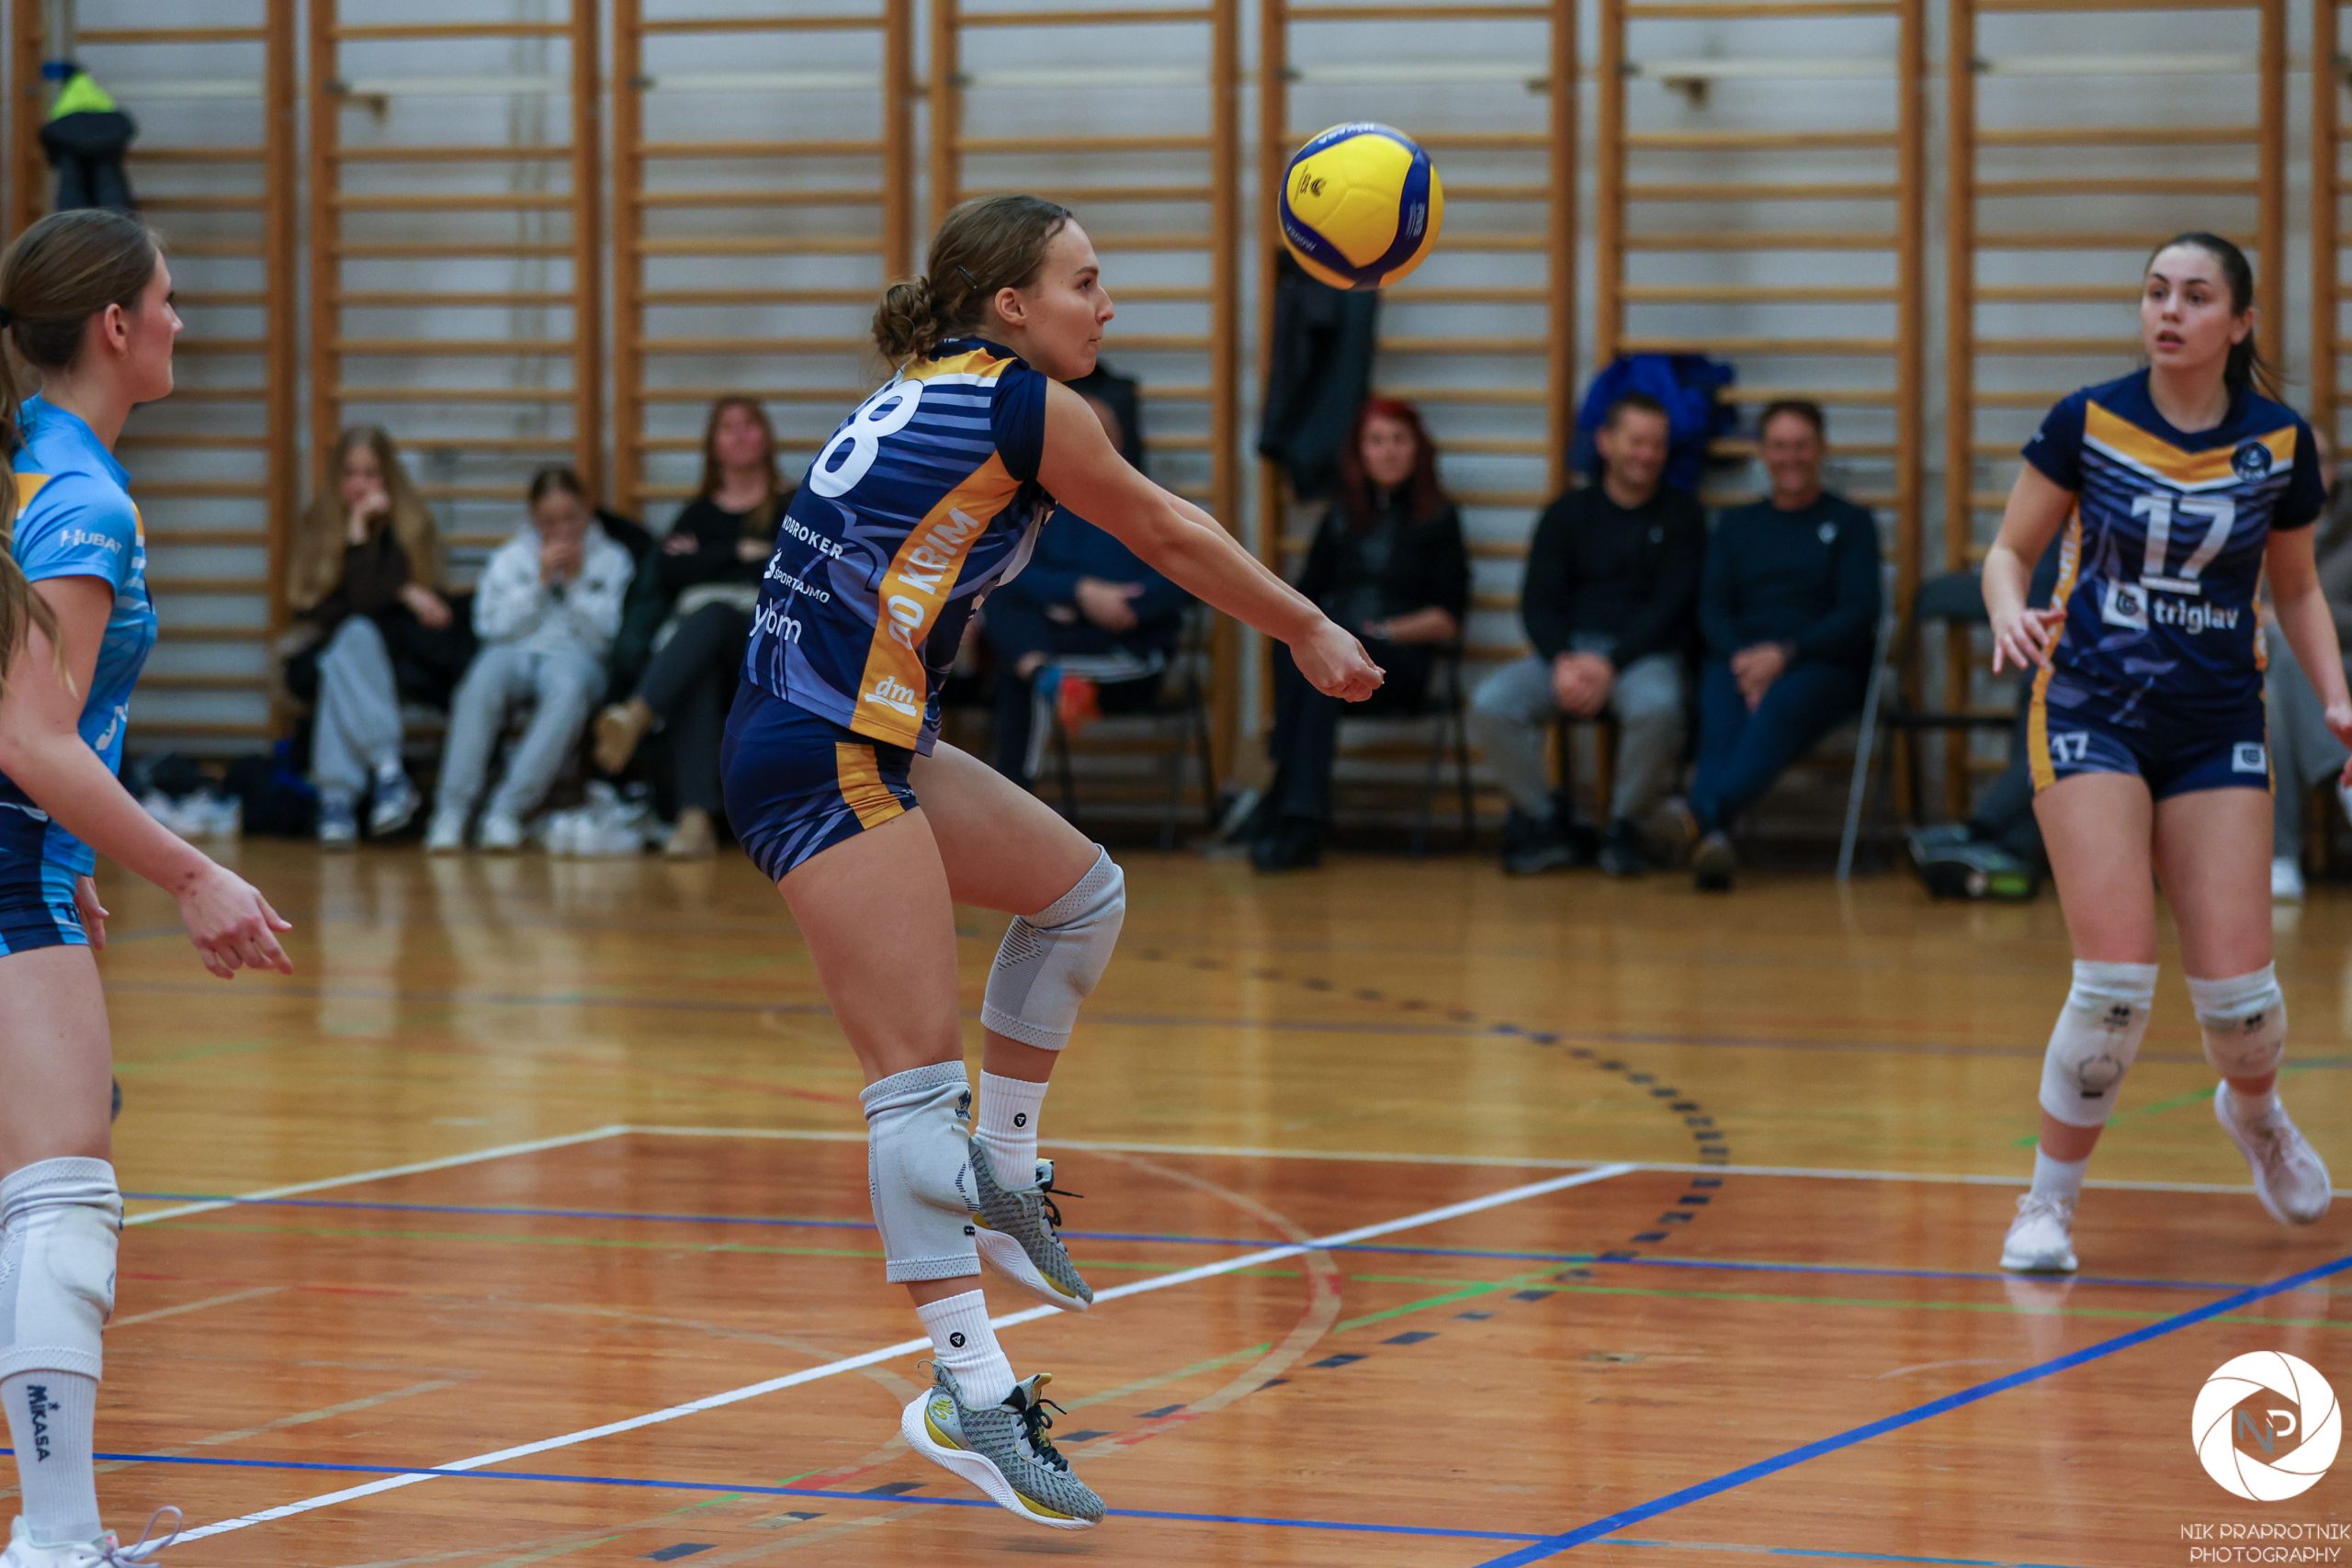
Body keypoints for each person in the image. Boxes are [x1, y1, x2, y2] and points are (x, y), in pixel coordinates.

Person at [721, 194, 1379, 1529]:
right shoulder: (1023, 403)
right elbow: (1167, 532)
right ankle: (967, 1390)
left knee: (1080, 895)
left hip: (859, 734)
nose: (1107, 304)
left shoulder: (933, 381)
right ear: (1010, 305)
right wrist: (1307, 626)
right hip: (819, 747)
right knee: (912, 1098)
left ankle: (1010, 1169)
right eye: (1083, 281)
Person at [0, 208, 291, 1568]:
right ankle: (58, 1540)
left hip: (29, 855)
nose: (184, 320)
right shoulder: (82, 500)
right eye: (168, 299)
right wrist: (190, 871)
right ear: (115, 326)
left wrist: (74, 852)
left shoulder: (29, 462)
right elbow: (31, 735)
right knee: (63, 1197)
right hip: (8, 856)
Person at [1984, 231, 2343, 1276]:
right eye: (2155, 292)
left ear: (2239, 323)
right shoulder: (2087, 420)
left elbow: (2297, 588)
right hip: (2090, 704)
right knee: (2113, 982)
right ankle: (2047, 1206)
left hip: (2216, 719)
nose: (2169, 311)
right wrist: (2008, 611)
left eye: (2194, 296)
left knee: (2241, 1004)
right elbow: (2009, 550)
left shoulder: (2277, 442)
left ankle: (2256, 1112)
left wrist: (2336, 698)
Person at [1468, 390, 1702, 877]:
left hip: (1641, 657)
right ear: (1605, 442)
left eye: (1657, 445)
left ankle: (1624, 827)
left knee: (1659, 707)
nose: (1647, 455)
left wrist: (1610, 664)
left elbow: (1671, 608)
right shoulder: (1567, 513)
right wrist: (1563, 660)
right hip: (1566, 657)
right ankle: (1544, 820)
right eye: (1636, 441)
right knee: (1491, 703)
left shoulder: (1683, 516)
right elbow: (1537, 603)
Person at [1248, 397, 1468, 872]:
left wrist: (1382, 631)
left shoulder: (1438, 519)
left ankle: (1290, 808)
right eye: (1377, 441)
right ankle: (1295, 809)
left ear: (1417, 449)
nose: (1388, 451)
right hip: (1345, 649)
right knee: (1294, 652)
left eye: (1399, 440)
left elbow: (1447, 618)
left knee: (1324, 673)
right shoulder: (1341, 516)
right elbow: (1304, 597)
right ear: (1360, 452)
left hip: (1399, 658)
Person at [1672, 400, 1882, 890]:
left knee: (1783, 703)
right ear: (1763, 453)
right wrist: (1745, 661)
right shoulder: (1736, 525)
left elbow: (1858, 612)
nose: (1791, 457)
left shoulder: (1852, 523)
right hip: (1739, 660)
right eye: (1780, 446)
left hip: (1824, 665)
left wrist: (1785, 656)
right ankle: (1712, 842)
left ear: (1821, 449)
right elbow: (1712, 607)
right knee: (1717, 711)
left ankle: (1701, 816)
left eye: (1802, 446)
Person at [592, 397, 791, 858]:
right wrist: (739, 553)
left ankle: (637, 714)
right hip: (707, 654)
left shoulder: (791, 504)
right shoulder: (698, 513)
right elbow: (669, 570)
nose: (740, 436)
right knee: (698, 668)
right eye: (728, 428)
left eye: (749, 425)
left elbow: (790, 570)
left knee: (715, 614)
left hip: (766, 646)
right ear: (713, 446)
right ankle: (694, 820)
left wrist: (709, 559)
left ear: (765, 437)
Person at [981, 394, 1186, 790]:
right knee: (1002, 598)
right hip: (1062, 639)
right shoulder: (1041, 508)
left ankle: (1015, 803)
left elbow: (1181, 579)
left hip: (1128, 652)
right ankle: (1042, 676)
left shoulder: (1154, 504)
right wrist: (1081, 592)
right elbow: (1011, 576)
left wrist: (1120, 604)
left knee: (1020, 671)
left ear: (1118, 441)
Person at [426, 468, 634, 852]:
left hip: (577, 655)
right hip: (514, 649)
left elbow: (607, 639)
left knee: (568, 690)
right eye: (549, 521)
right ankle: (451, 811)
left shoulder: (613, 559)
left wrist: (576, 585)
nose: (562, 530)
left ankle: (506, 811)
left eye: (571, 517)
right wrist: (538, 585)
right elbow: (490, 627)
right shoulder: (510, 558)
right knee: (479, 683)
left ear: (588, 510)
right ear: (533, 517)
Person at [283, 425, 455, 849]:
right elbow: (319, 605)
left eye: (371, 473)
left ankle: (337, 801)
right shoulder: (320, 523)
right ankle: (387, 770)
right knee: (349, 644)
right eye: (350, 473)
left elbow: (375, 603)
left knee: (348, 651)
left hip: (398, 653)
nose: (360, 484)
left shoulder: (411, 526)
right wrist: (360, 537)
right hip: (332, 647)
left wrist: (391, 584)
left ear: (388, 477)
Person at [2262, 432, 2352, 900]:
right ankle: (2344, 775)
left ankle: (2280, 857)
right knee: (2266, 702)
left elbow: (2301, 603)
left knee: (2284, 645)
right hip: (2271, 668)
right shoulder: (2255, 519)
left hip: (2345, 665)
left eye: (2318, 459)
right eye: (2296, 459)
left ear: (2335, 469)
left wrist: (2308, 620)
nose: (2308, 469)